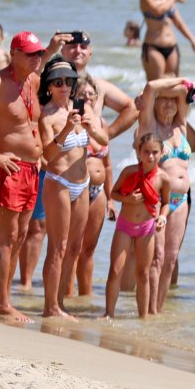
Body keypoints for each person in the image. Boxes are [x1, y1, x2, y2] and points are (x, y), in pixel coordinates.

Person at [37, 59, 105, 319]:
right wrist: (66, 128)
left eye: (68, 81)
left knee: (75, 248)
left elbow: (103, 141)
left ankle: (60, 303)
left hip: (83, 182)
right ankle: (50, 306)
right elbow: (48, 155)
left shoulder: (84, 108)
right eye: (58, 82)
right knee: (58, 247)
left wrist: (90, 127)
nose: (64, 86)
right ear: (50, 86)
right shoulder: (47, 115)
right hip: (59, 183)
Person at [138, 76, 195, 314]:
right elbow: (151, 87)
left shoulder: (180, 125)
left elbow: (185, 91)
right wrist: (181, 80)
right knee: (157, 258)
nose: (169, 105)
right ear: (154, 103)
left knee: (171, 259)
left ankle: (158, 312)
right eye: (163, 101)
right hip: (158, 200)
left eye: (173, 101)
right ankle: (149, 310)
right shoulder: (149, 126)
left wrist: (181, 89)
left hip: (181, 201)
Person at [0, 31, 46, 324]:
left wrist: (40, 154)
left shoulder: (33, 80)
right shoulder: (0, 83)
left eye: (39, 53)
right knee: (7, 238)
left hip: (32, 169)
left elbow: (33, 122)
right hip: (10, 169)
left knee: (20, 238)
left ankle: (5, 297)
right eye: (30, 53)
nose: (36, 58)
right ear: (14, 53)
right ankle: (3, 305)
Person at [103, 133, 170, 319]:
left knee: (143, 273)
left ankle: (143, 318)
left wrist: (163, 217)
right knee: (115, 269)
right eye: (146, 152)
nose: (150, 156)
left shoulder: (163, 178)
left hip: (147, 228)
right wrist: (127, 199)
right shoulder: (129, 171)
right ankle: (108, 313)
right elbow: (114, 193)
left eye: (155, 152)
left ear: (162, 153)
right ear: (139, 152)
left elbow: (166, 203)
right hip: (125, 225)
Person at [73, 75, 114, 298]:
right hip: (76, 188)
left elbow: (107, 166)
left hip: (97, 192)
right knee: (71, 248)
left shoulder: (102, 123)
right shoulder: (71, 121)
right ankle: (65, 297)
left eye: (91, 94)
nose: (87, 98)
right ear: (75, 96)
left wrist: (111, 198)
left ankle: (84, 298)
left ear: (97, 97)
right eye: (82, 95)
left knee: (88, 249)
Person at [59, 30, 140, 141]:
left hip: (94, 154)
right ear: (62, 51)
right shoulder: (52, 84)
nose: (78, 50)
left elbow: (133, 108)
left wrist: (107, 134)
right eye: (73, 46)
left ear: (90, 53)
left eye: (83, 47)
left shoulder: (99, 86)